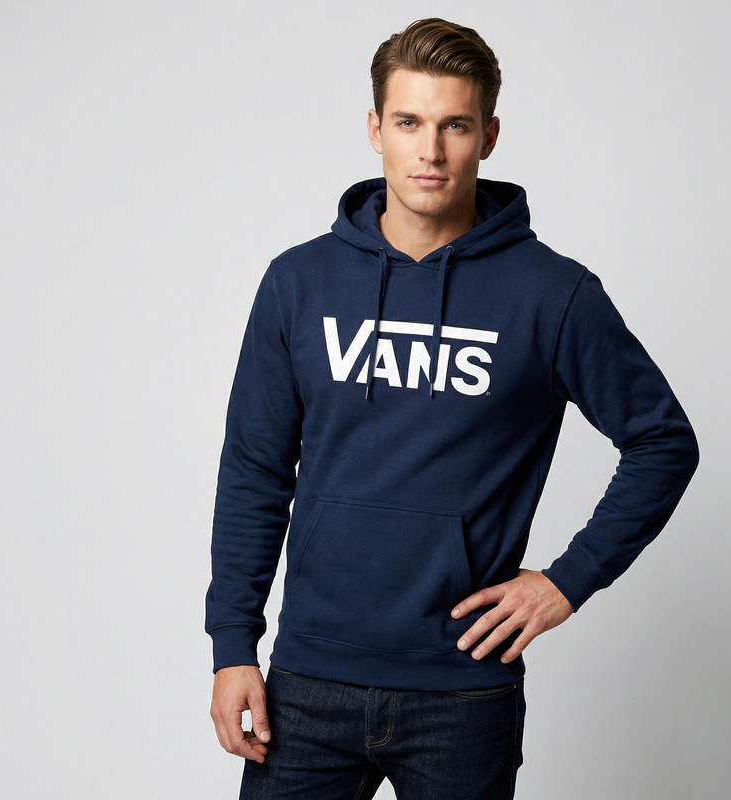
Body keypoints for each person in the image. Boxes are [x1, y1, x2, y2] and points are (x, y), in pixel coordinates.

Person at [206, 17, 699, 800]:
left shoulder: (552, 295)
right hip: (306, 684)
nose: (430, 151)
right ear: (376, 129)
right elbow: (254, 472)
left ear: (488, 136)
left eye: (455, 126)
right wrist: (233, 646)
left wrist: (566, 581)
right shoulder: (298, 284)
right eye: (409, 122)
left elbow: (663, 442)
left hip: (461, 696)